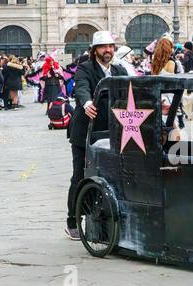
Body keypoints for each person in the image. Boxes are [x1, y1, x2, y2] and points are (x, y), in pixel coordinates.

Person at [66, 31, 128, 240]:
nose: (107, 50)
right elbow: (81, 88)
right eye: (103, 47)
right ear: (94, 51)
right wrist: (87, 103)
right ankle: (72, 221)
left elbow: (131, 93)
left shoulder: (119, 69)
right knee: (80, 174)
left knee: (108, 175)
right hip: (86, 131)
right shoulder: (85, 67)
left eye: (110, 46)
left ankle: (102, 217)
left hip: (112, 131)